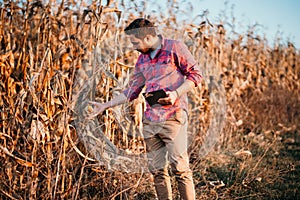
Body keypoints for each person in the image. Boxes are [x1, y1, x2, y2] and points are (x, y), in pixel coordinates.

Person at [88, 18, 202, 200]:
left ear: (148, 37)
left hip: (174, 116)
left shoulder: (174, 48)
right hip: (150, 121)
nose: (133, 47)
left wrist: (175, 93)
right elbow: (131, 92)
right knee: (157, 172)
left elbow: (196, 75)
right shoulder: (141, 61)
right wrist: (105, 105)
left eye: (135, 42)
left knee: (180, 170)